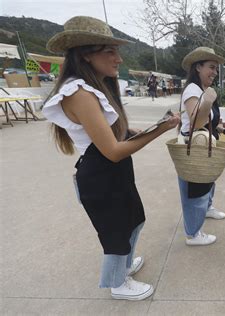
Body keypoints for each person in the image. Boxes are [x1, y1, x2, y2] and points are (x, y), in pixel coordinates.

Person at [42, 16, 180, 301]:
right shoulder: (78, 93)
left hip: (112, 173)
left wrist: (131, 130)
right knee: (116, 232)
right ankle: (117, 284)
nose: (118, 58)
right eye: (109, 51)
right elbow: (113, 151)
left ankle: (124, 267)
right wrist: (161, 130)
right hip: (102, 175)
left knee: (134, 220)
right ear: (85, 55)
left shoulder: (94, 86)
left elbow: (106, 131)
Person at [177, 47, 225, 246]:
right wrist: (208, 101)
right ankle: (193, 234)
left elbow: (208, 121)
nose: (215, 72)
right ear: (198, 67)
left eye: (216, 69)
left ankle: (207, 209)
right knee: (195, 191)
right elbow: (197, 121)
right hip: (195, 147)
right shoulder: (193, 90)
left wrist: (224, 130)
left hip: (205, 143)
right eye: (211, 67)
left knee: (207, 182)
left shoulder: (202, 90)